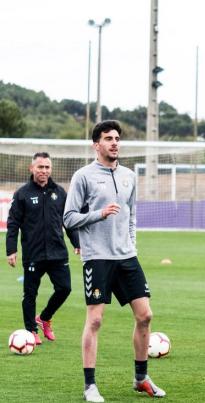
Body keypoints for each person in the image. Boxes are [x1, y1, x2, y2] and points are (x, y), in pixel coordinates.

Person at [64, 120, 165, 402]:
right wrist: (98, 214)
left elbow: (131, 216)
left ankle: (141, 378)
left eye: (117, 138)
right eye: (108, 138)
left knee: (145, 315)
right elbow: (69, 218)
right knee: (95, 320)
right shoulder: (83, 176)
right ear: (96, 144)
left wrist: (131, 244)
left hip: (126, 256)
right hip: (97, 258)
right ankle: (90, 386)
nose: (114, 143)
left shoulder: (129, 176)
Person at [5, 152, 80, 346]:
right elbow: (13, 223)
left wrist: (77, 243)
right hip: (33, 254)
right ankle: (31, 330)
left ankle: (45, 317)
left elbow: (68, 222)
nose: (44, 171)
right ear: (32, 168)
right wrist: (11, 250)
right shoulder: (22, 194)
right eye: (40, 167)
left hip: (57, 252)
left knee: (65, 288)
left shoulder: (60, 192)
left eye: (47, 167)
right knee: (30, 294)